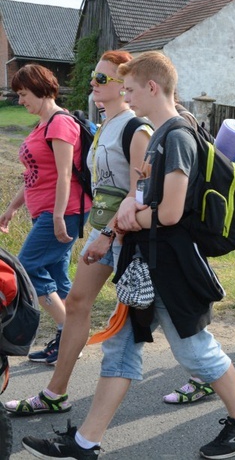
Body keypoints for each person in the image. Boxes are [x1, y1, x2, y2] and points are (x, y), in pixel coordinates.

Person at [21, 51, 235, 459]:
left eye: (130, 89)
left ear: (152, 87)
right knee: (119, 347)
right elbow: (148, 195)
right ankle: (85, 442)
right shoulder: (166, 133)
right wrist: (129, 210)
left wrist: (130, 217)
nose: (127, 97)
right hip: (146, 261)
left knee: (195, 352)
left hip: (168, 264)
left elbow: (169, 212)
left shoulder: (177, 137)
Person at [3, 51, 153, 415]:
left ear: (125, 86)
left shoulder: (136, 128)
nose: (93, 84)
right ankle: (55, 393)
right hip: (103, 231)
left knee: (182, 329)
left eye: (102, 79)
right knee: (75, 304)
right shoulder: (105, 126)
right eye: (93, 78)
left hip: (127, 237)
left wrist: (103, 231)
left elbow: (138, 195)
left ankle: (215, 382)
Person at [0, 64, 91, 365]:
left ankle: (68, 335)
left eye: (23, 94)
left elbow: (65, 175)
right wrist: (13, 208)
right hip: (48, 212)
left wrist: (57, 216)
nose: (20, 100)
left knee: (26, 269)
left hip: (63, 212)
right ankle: (75, 333)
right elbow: (34, 176)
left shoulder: (60, 124)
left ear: (40, 90)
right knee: (54, 275)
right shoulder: (42, 124)